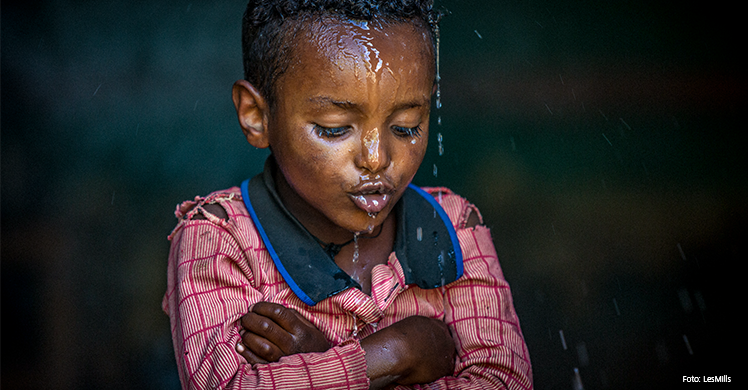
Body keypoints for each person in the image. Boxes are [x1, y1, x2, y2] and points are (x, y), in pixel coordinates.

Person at [162, 1, 533, 389]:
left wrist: (323, 361)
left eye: (406, 126)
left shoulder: (453, 228)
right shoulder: (219, 239)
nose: (377, 159)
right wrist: (399, 351)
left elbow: (505, 382)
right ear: (257, 115)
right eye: (335, 128)